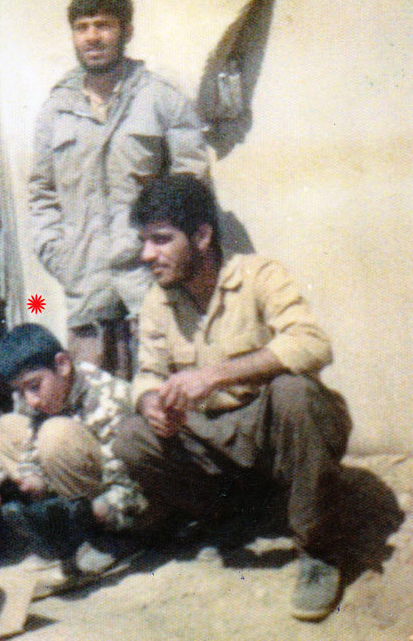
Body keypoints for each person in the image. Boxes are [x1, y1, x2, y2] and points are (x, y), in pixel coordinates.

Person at [114, 174, 352, 621]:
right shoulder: (157, 302)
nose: (147, 255)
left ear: (202, 236)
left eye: (161, 240)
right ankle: (230, 516)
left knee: (295, 392)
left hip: (271, 433)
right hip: (215, 443)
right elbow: (147, 373)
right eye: (144, 241)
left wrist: (216, 375)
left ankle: (319, 552)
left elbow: (312, 344)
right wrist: (150, 404)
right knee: (131, 437)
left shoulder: (258, 275)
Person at [29, 0, 208, 378]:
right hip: (86, 295)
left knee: (162, 395)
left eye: (103, 25)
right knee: (94, 401)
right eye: (82, 27)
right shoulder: (56, 110)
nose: (92, 37)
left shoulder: (161, 100)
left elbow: (192, 192)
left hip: (150, 289)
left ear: (127, 31)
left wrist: (166, 256)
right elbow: (41, 196)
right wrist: (60, 257)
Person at [0, 323, 146, 571]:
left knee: (55, 433)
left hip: (128, 506)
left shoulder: (105, 398)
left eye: (34, 386)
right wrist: (31, 482)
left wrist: (94, 513)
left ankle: (107, 539)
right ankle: (59, 535)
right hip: (83, 488)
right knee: (5, 428)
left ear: (62, 364)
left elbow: (132, 485)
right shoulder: (51, 394)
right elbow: (32, 444)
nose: (30, 400)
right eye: (20, 392)